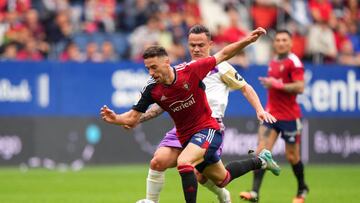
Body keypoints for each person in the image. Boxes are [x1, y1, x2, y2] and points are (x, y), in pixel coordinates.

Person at [100, 27, 281, 203]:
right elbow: (148, 112)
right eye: (192, 45)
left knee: (185, 163)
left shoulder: (203, 69)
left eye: (200, 44)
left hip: (209, 127)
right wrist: (116, 119)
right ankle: (261, 161)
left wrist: (248, 41)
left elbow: (228, 59)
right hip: (183, 132)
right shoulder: (157, 84)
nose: (196, 48)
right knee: (217, 177)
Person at [239, 30, 309, 203]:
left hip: (290, 117)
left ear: (291, 43)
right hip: (272, 115)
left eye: (284, 40)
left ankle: (302, 188)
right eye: (278, 40)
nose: (280, 43)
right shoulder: (273, 61)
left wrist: (277, 84)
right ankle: (255, 192)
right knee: (261, 151)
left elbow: (300, 87)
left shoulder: (294, 62)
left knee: (292, 156)